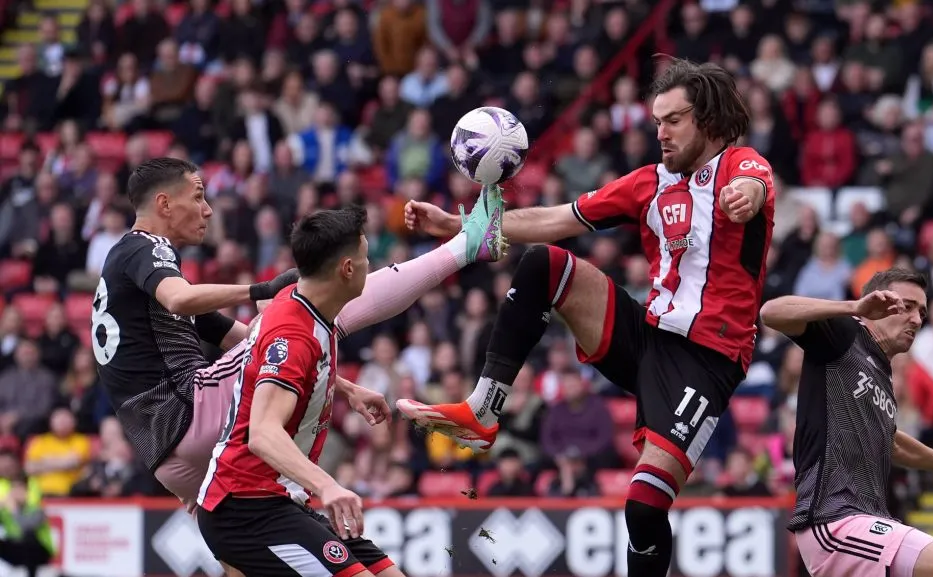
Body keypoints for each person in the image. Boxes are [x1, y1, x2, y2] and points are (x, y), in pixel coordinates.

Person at [399, 58, 775, 577]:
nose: (660, 133)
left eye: (673, 120)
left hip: (706, 359)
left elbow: (756, 185)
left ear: (707, 119)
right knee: (543, 265)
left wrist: (744, 197)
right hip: (647, 336)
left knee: (644, 506)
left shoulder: (740, 166)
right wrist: (460, 226)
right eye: (656, 121)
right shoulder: (649, 182)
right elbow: (557, 218)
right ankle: (484, 410)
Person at [95, 158, 506, 575]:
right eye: (198, 197)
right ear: (164, 204)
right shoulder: (145, 247)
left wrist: (342, 386)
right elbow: (183, 299)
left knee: (289, 326)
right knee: (310, 305)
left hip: (174, 456)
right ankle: (467, 246)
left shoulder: (129, 277)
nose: (208, 210)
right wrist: (264, 289)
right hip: (187, 415)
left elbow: (246, 341)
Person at [760, 268, 933, 577]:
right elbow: (771, 312)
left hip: (865, 523)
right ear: (875, 304)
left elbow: (891, 442)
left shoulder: (881, 373)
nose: (917, 319)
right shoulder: (845, 334)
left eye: (922, 312)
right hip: (834, 521)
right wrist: (854, 306)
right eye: (907, 306)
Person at [196, 207, 381, 576]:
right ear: (347, 268)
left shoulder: (301, 301)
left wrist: (344, 387)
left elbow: (270, 360)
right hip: (245, 507)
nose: (369, 265)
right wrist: (328, 486)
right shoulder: (294, 333)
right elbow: (263, 433)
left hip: (278, 500)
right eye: (365, 257)